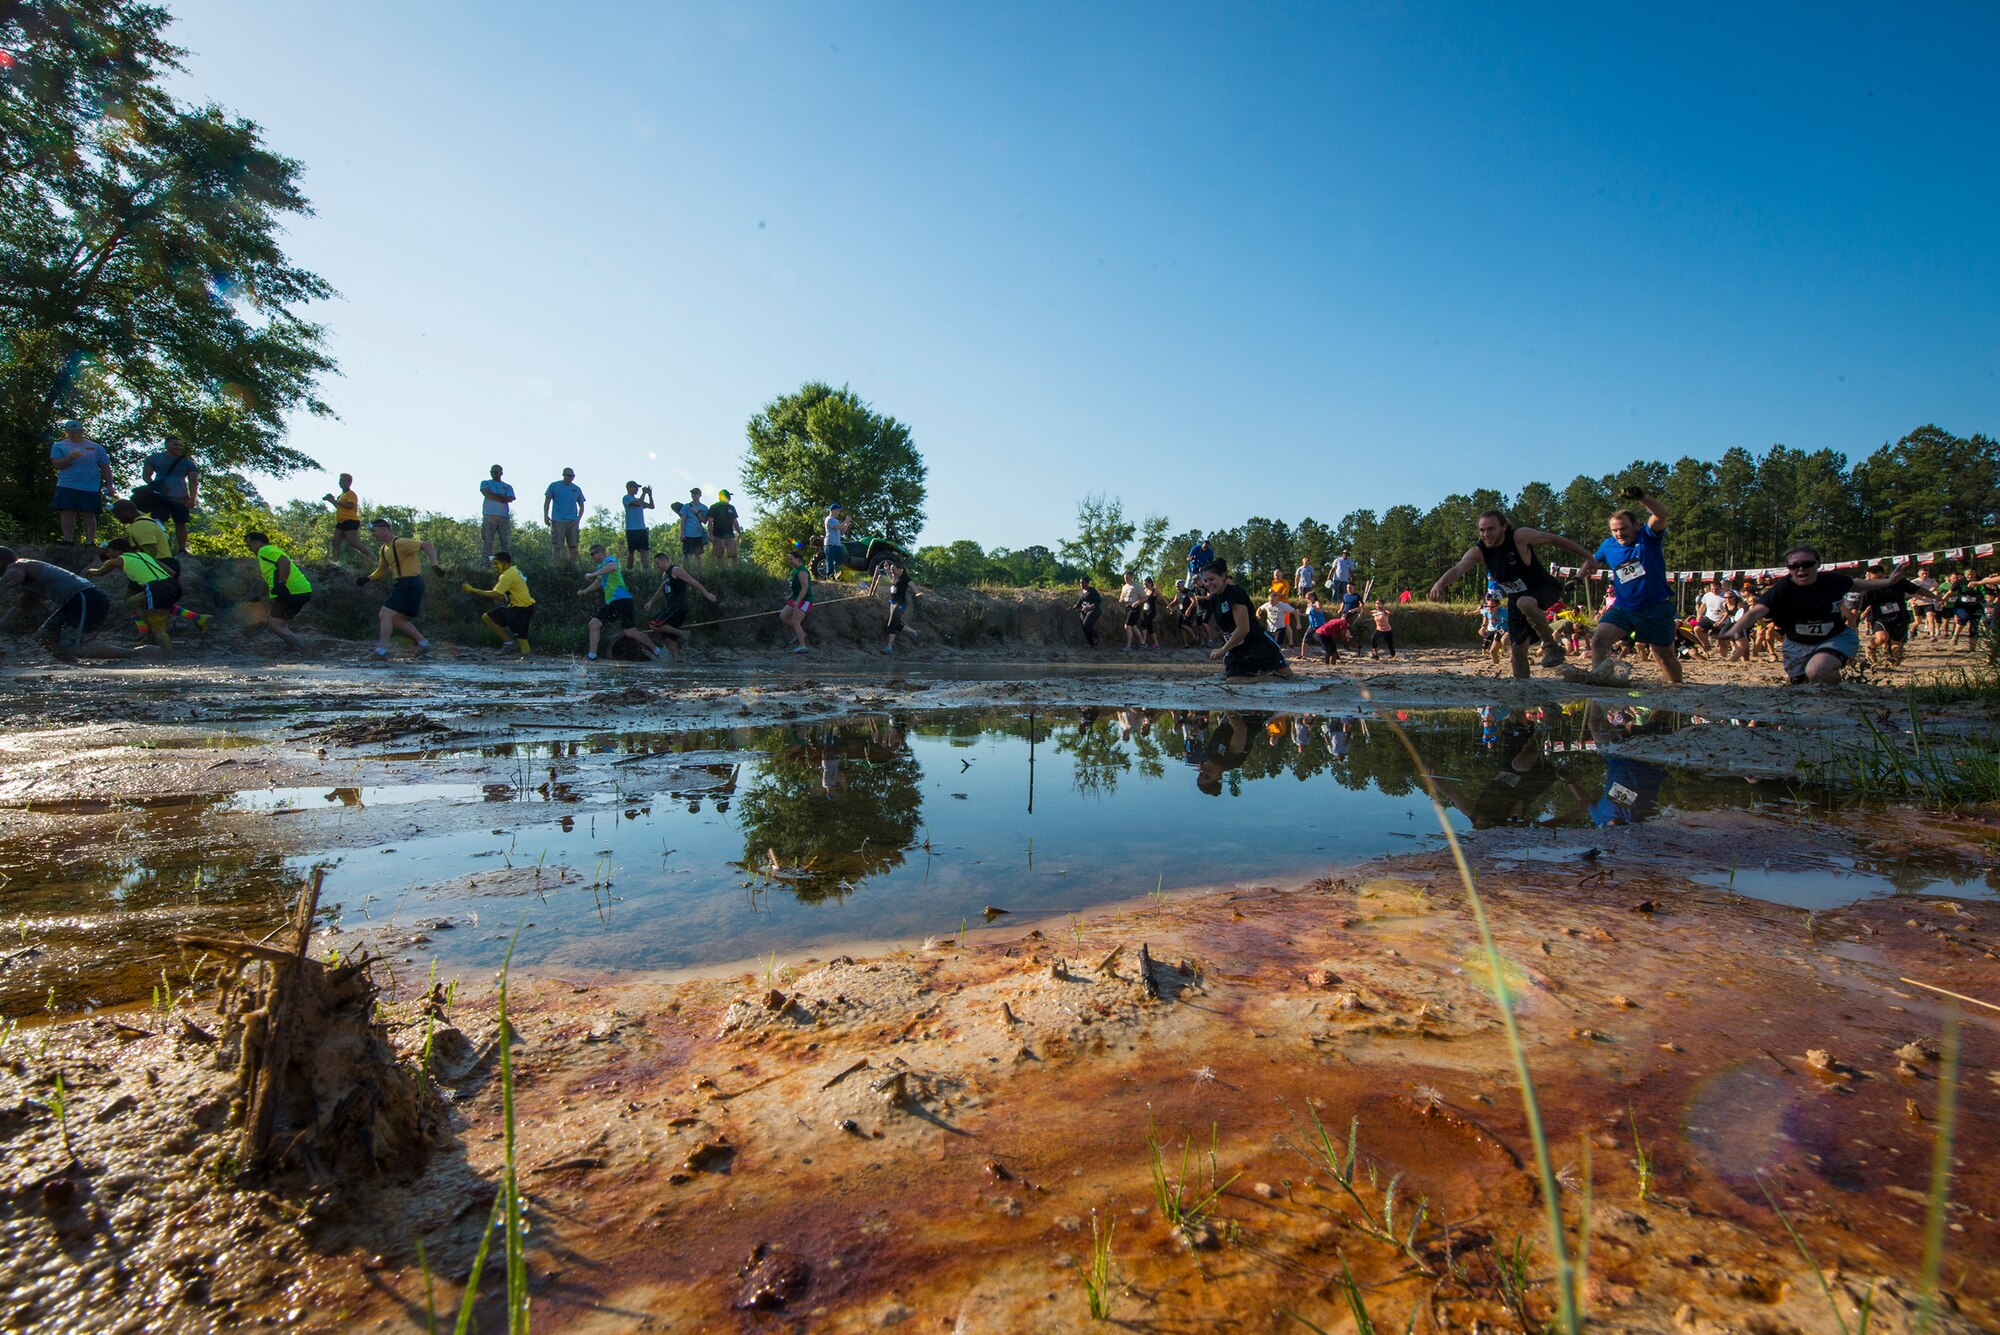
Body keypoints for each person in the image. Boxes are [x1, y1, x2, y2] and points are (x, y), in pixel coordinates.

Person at [1430, 510, 1593, 676]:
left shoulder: (1519, 537)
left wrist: (1588, 556)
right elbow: (1458, 569)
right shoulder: (1479, 552)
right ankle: (1522, 687)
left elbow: (1554, 539)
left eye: (1491, 529)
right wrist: (1439, 584)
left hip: (1544, 587)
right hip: (1517, 600)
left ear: (1503, 527)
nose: (1486, 534)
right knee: (1517, 650)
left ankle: (1551, 646)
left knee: (1525, 602)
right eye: (1482, 530)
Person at [1720, 547, 1910, 683]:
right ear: (1789, 569)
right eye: (1794, 566)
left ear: (1817, 565)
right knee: (1801, 682)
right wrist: (1735, 629)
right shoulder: (1782, 588)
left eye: (1806, 564)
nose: (1801, 569)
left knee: (1817, 671)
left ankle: (1838, 691)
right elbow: (1756, 611)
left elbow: (1857, 584)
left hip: (1835, 638)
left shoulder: (1831, 581)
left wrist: (1888, 582)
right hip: (1797, 644)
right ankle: (1841, 679)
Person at [1576, 487, 1682, 684]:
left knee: (1663, 656)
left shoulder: (1648, 537)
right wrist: (1577, 578)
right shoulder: (1608, 545)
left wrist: (1642, 497)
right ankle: (1600, 680)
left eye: (1624, 528)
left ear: (1635, 525)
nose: (1619, 533)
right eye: (1615, 530)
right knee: (1599, 640)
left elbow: (1662, 514)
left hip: (1655, 607)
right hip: (1624, 608)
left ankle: (1677, 689)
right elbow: (1592, 562)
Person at [0, 547, 147, 662]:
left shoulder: (16, 566)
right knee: (44, 637)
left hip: (85, 598)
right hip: (76, 600)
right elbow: (21, 607)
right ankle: (75, 665)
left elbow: (8, 582)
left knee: (78, 647)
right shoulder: (29, 575)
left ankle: (139, 654)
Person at [88, 539, 195, 653]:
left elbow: (99, 572)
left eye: (109, 551)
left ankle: (167, 657)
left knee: (158, 627)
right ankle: (151, 637)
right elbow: (172, 572)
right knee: (131, 602)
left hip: (156, 587)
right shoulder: (144, 555)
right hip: (174, 586)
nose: (107, 554)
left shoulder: (116, 561)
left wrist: (90, 570)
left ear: (118, 551)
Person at [357, 518, 438, 659]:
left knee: (384, 614)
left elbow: (427, 545)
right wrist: (367, 578)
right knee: (397, 620)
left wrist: (434, 565)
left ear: (384, 529)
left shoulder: (400, 543)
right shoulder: (384, 549)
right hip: (405, 584)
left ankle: (381, 651)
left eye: (374, 531)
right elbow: (381, 570)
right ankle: (424, 644)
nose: (373, 535)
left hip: (409, 583)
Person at [1199, 558, 1291, 679]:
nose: (1208, 584)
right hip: (1236, 645)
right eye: (1205, 581)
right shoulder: (1213, 599)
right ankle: (1258, 675)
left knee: (1287, 675)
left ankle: (1266, 675)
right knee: (1233, 680)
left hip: (1256, 642)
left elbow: (1243, 629)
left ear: (1222, 576)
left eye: (1211, 579)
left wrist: (1222, 650)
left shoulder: (1235, 593)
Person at [578, 545, 659, 662]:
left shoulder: (609, 560)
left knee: (594, 624)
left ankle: (592, 656)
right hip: (621, 602)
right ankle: (657, 651)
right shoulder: (601, 567)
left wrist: (592, 574)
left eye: (592, 554)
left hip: (620, 601)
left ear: (600, 552)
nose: (591, 557)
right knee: (630, 631)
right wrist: (585, 591)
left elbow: (613, 567)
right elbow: (599, 582)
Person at [245, 530, 312, 652]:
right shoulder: (269, 553)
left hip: (290, 592)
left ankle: (305, 648)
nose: (249, 549)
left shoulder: (264, 550)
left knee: (275, 625)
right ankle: (292, 648)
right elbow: (268, 580)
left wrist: (282, 582)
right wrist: (259, 597)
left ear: (258, 542)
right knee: (280, 623)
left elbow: (284, 562)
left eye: (249, 545)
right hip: (302, 591)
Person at [50, 420, 113, 547]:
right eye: (72, 432)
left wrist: (109, 483)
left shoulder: (96, 448)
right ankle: (68, 540)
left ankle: (90, 541)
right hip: (67, 484)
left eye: (78, 432)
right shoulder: (59, 446)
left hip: (90, 486)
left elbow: (105, 467)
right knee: (67, 512)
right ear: (67, 432)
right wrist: (70, 457)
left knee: (89, 513)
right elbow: (57, 465)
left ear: (83, 432)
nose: (75, 435)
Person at [644, 551, 718, 657]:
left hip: (677, 607)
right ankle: (678, 662)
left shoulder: (676, 570)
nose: (656, 566)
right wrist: (650, 602)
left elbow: (693, 582)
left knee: (654, 624)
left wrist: (707, 594)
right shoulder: (665, 575)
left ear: (664, 561)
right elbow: (661, 591)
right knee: (670, 639)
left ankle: (682, 634)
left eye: (657, 563)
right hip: (672, 608)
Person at [463, 550, 536, 656]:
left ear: (505, 563)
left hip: (521, 610)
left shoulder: (507, 575)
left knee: (523, 642)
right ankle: (509, 643)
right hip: (516, 608)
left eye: (496, 564)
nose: (494, 566)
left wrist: (473, 590)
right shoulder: (513, 570)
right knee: (487, 617)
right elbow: (506, 592)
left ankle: (526, 666)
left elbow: (495, 594)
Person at [1859, 565, 1931, 668]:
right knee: (1882, 638)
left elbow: (1918, 589)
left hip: (1899, 618)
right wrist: (1854, 618)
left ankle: (1890, 664)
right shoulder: (1869, 587)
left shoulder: (1898, 582)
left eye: (1871, 575)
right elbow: (1860, 608)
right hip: (1881, 618)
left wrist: (1936, 597)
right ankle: (1870, 648)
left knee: (1896, 651)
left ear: (1881, 574)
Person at [140, 435, 198, 554]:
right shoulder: (154, 458)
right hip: (161, 496)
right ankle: (157, 548)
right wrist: (154, 486)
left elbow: (193, 481)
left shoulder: (187, 462)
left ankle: (182, 548)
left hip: (181, 497)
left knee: (181, 523)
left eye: (179, 445)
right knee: (157, 522)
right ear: (166, 445)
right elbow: (146, 475)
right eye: (175, 444)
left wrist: (192, 498)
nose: (178, 447)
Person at [321, 473, 369, 562]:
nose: (341, 483)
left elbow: (350, 505)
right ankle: (335, 562)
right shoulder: (341, 495)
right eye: (340, 481)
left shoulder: (351, 494)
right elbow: (338, 506)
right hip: (341, 521)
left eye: (343, 481)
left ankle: (373, 558)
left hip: (350, 520)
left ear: (349, 482)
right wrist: (331, 500)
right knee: (335, 541)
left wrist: (336, 501)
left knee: (354, 543)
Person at [110, 499, 173, 564]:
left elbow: (151, 551)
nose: (116, 517)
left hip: (161, 563)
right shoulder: (144, 520)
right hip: (165, 561)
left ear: (127, 511)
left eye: (117, 513)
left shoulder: (140, 525)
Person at [543, 468, 585, 565]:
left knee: (573, 546)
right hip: (558, 521)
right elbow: (547, 502)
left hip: (572, 522)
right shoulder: (554, 486)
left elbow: (582, 505)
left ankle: (572, 568)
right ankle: (556, 567)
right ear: (563, 475)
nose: (571, 478)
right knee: (557, 546)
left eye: (573, 476)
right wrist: (546, 515)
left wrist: (578, 518)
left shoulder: (576, 489)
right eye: (568, 475)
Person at [881, 561, 922, 655]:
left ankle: (889, 647)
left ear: (900, 569)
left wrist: (917, 592)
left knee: (891, 624)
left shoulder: (904, 578)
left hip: (900, 604)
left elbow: (912, 585)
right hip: (893, 603)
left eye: (893, 570)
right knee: (896, 624)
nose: (892, 572)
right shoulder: (896, 577)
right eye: (891, 570)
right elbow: (892, 581)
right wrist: (887, 570)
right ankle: (915, 632)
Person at [780, 541, 813, 653]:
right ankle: (801, 634)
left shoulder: (802, 571)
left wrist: (797, 601)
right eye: (788, 559)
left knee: (795, 622)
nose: (789, 561)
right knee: (783, 616)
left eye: (791, 559)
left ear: (797, 559)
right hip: (795, 599)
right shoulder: (795, 571)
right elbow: (796, 587)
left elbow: (805, 588)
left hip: (805, 600)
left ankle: (803, 646)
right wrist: (790, 596)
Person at [479, 465, 516, 561]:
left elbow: (510, 498)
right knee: (487, 542)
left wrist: (495, 496)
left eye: (496, 472)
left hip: (503, 517)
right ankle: (485, 566)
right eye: (492, 471)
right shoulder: (485, 483)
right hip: (489, 516)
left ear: (501, 473)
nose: (494, 473)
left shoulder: (507, 486)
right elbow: (486, 493)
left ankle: (507, 566)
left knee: (505, 543)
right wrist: (501, 497)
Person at [1301, 590, 1342, 664]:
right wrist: (1299, 614)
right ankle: (1303, 655)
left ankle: (1334, 654)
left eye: (1309, 598)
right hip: (1312, 625)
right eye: (1307, 598)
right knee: (1305, 639)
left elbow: (1319, 610)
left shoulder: (1317, 602)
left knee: (1325, 641)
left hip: (1320, 625)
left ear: (1313, 597)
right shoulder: (1309, 605)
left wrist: (1312, 606)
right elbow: (1307, 614)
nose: (1307, 600)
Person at [1692, 579, 1731, 657]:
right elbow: (1703, 605)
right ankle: (1706, 645)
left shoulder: (1725, 596)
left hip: (1721, 619)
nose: (1714, 591)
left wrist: (1721, 620)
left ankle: (1724, 657)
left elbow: (1729, 610)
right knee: (1697, 629)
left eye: (1716, 589)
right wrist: (1699, 615)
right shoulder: (1707, 595)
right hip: (1709, 617)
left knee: (1721, 641)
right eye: (1712, 589)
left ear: (1720, 588)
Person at [674, 487, 709, 565]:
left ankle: (698, 573)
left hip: (698, 534)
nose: (693, 495)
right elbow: (683, 521)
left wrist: (696, 512)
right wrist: (682, 533)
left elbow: (704, 521)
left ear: (700, 495)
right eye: (692, 493)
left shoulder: (704, 508)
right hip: (687, 534)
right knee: (686, 555)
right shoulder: (686, 506)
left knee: (698, 555)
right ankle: (685, 572)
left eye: (695, 493)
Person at [622, 482, 655, 561]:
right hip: (631, 529)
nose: (637, 489)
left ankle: (645, 570)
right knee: (631, 551)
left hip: (641, 528)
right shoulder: (626, 498)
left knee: (644, 550)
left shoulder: (638, 499)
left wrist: (650, 495)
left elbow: (651, 506)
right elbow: (637, 503)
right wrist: (644, 493)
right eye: (635, 487)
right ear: (629, 488)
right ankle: (630, 569)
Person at [707, 489, 741, 562]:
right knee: (719, 555)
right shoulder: (714, 507)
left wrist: (739, 533)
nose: (730, 498)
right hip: (718, 535)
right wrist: (710, 535)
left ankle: (735, 572)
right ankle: (720, 571)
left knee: (734, 555)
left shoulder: (731, 507)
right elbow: (710, 522)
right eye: (728, 496)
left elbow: (735, 521)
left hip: (730, 535)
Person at [1476, 594, 1507, 665]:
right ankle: (1497, 666)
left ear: (1498, 606)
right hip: (1495, 629)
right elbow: (1478, 612)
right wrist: (1483, 627)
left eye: (1492, 607)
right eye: (1488, 607)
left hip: (1505, 629)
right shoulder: (1486, 611)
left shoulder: (1504, 612)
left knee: (1502, 639)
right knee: (1492, 651)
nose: (1490, 609)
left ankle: (1506, 650)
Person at [1119, 570, 1144, 651]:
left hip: (1135, 609)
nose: (1125, 579)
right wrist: (1123, 599)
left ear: (1131, 577)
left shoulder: (1137, 586)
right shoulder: (1124, 587)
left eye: (1127, 578)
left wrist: (1137, 602)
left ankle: (1128, 646)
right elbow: (1121, 599)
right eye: (1124, 578)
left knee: (1127, 626)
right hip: (1128, 608)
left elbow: (1145, 597)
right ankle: (1143, 643)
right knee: (1133, 627)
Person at [1074, 577, 1102, 647]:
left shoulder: (1092, 591)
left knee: (1086, 625)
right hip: (1084, 611)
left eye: (1082, 583)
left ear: (1087, 583)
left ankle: (1097, 637)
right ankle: (1092, 644)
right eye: (1080, 583)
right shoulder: (1082, 593)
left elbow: (1098, 601)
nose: (1081, 584)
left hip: (1094, 611)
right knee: (1084, 627)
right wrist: (1072, 608)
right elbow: (1079, 603)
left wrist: (1089, 608)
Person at [821, 503, 847, 574]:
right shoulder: (829, 519)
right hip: (830, 544)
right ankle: (829, 576)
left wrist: (847, 523)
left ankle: (839, 576)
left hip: (837, 544)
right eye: (838, 510)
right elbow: (837, 527)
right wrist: (845, 521)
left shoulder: (836, 521)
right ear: (833, 510)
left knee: (839, 562)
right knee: (830, 562)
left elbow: (843, 531)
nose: (839, 512)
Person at [1138, 576, 1162, 648]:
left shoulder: (1155, 591)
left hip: (1152, 611)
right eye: (1144, 584)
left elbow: (1163, 599)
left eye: (1146, 584)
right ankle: (1156, 644)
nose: (1145, 585)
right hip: (1145, 611)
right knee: (1149, 627)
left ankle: (1144, 643)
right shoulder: (1145, 590)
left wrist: (1169, 607)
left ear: (1150, 583)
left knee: (1143, 625)